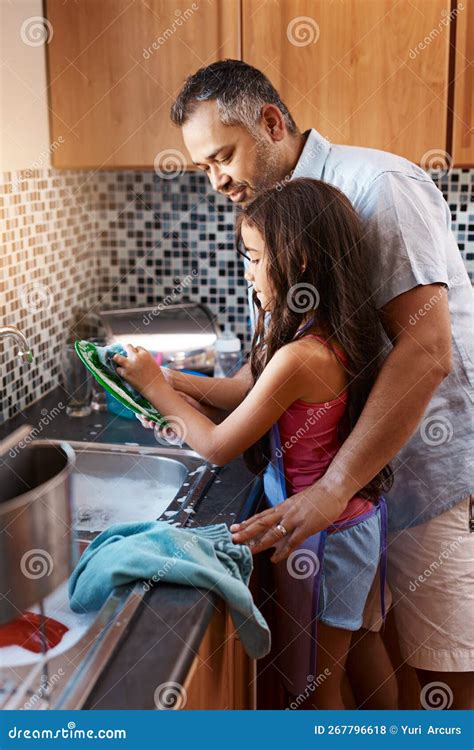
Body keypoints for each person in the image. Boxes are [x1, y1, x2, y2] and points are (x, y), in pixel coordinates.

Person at [164, 60, 473, 710]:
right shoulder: (280, 215)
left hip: (426, 478)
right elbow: (267, 365)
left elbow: (426, 351)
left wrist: (333, 488)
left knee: (447, 676)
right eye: (203, 167)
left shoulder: (376, 186)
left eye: (224, 155)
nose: (218, 180)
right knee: (380, 660)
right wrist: (176, 385)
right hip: (363, 492)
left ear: (271, 122)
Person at [114, 178, 395, 709]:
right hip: (360, 521)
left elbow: (218, 446)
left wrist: (155, 389)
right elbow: (247, 390)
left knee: (312, 685)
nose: (246, 271)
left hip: (320, 538)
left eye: (253, 257)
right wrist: (173, 381)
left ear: (301, 261)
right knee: (364, 648)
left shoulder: (300, 357)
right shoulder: (322, 329)